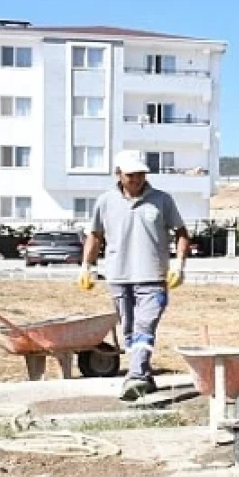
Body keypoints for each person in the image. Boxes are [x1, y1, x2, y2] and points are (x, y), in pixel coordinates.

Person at [80, 150, 191, 401]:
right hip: (118, 276)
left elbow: (181, 232)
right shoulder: (105, 201)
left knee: (145, 325)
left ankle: (137, 377)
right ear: (118, 174)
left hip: (153, 277)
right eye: (131, 175)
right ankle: (143, 372)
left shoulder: (162, 200)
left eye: (141, 174)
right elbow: (95, 235)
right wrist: (87, 266)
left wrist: (179, 263)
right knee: (129, 329)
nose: (137, 179)